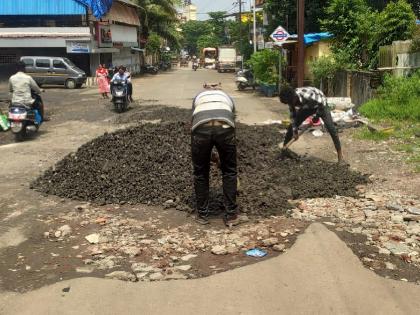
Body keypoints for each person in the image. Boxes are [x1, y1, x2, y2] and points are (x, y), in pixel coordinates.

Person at [191, 83, 239, 226]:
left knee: (200, 172)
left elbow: (193, 122)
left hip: (200, 128)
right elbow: (233, 119)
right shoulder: (227, 96)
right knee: (230, 171)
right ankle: (231, 215)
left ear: (206, 90)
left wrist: (204, 152)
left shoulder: (198, 97)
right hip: (225, 126)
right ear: (219, 90)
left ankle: (202, 215)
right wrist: (224, 153)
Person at [279, 85, 344, 163]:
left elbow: (321, 103)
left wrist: (316, 116)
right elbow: (293, 117)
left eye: (291, 102)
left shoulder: (307, 95)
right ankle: (284, 150)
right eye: (288, 103)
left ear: (295, 97)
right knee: (291, 128)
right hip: (307, 106)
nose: (291, 104)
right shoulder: (290, 100)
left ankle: (340, 157)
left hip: (321, 104)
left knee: (332, 129)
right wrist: (295, 132)